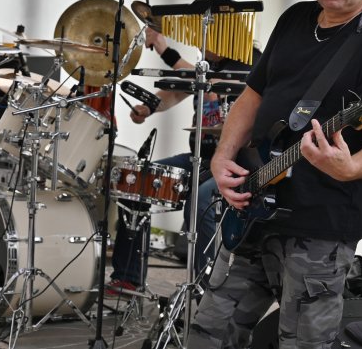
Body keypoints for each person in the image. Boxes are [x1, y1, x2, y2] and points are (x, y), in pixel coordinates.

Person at [187, 0, 362, 348]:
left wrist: (350, 168)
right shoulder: (296, 18)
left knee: (303, 342)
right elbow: (252, 96)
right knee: (208, 333)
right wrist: (222, 157)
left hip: (320, 226)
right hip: (253, 207)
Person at [106, 26, 259, 295]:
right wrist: (148, 107)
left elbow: (204, 79)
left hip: (237, 163)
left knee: (201, 202)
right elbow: (179, 90)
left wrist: (165, 50)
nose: (200, 47)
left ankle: (207, 289)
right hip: (200, 156)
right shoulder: (207, 64)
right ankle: (128, 278)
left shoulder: (250, 62)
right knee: (136, 181)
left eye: (205, 40)